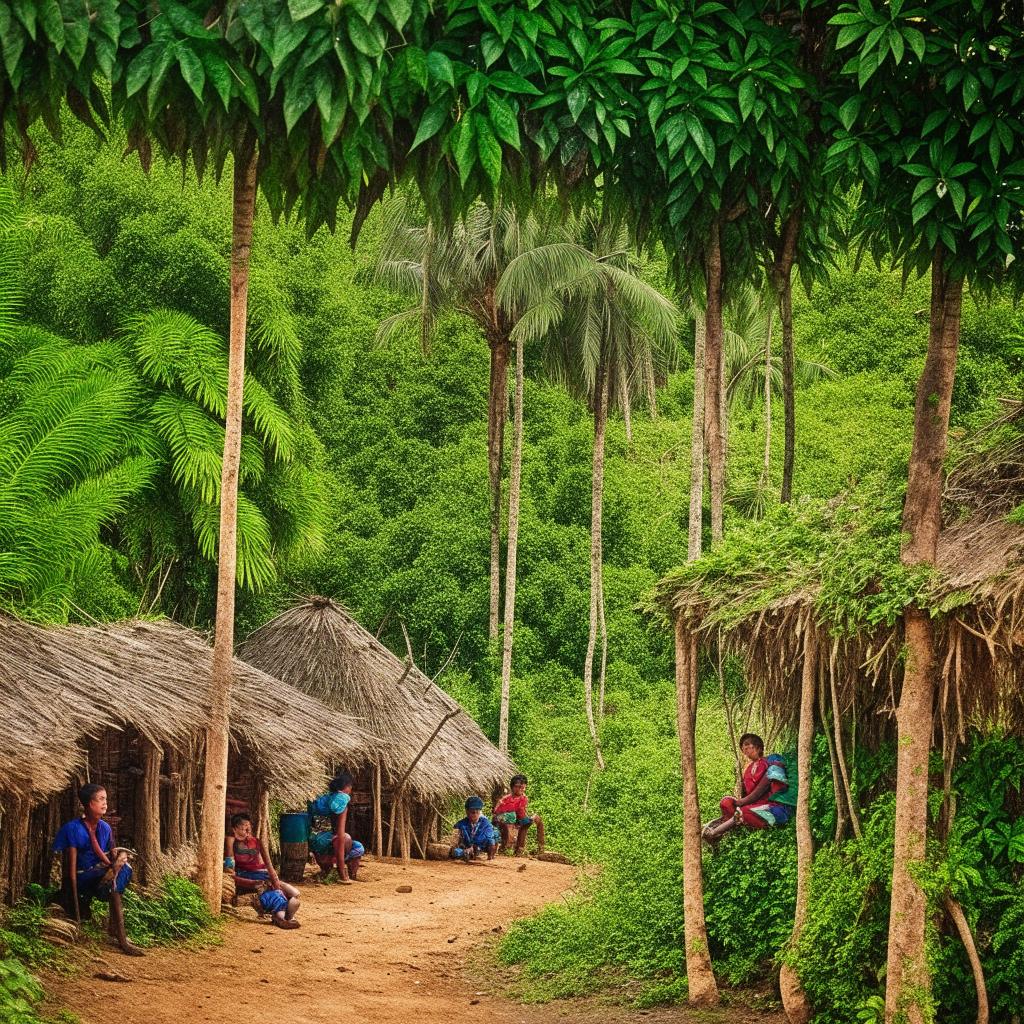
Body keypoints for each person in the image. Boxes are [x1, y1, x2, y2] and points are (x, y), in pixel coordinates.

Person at [52, 783, 144, 956]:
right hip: (83, 879)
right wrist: (76, 913)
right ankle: (122, 939)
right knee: (115, 876)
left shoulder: (105, 828)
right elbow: (70, 871)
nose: (105, 803)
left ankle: (114, 928)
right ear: (89, 804)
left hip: (103, 877)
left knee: (124, 869)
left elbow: (111, 854)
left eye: (106, 799)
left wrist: (118, 859)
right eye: (101, 799)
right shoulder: (73, 829)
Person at [702, 733, 791, 844]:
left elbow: (763, 787)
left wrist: (743, 802)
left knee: (744, 812)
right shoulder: (748, 769)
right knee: (726, 802)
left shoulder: (771, 761)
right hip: (752, 804)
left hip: (773, 805)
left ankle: (715, 833)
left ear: (758, 747)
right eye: (744, 747)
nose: (746, 748)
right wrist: (737, 802)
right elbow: (745, 794)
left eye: (748, 745)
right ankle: (723, 825)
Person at [224, 813, 300, 929]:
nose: (247, 830)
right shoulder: (231, 842)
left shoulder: (257, 841)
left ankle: (284, 916)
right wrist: (251, 883)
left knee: (293, 893)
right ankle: (285, 917)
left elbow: (269, 865)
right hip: (245, 876)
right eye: (243, 828)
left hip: (263, 875)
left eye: (248, 827)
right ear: (234, 829)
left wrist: (275, 880)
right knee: (277, 895)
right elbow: (229, 871)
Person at [308, 771, 364, 883]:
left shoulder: (326, 797)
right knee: (346, 838)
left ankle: (333, 872)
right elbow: (340, 835)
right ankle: (342, 873)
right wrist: (341, 871)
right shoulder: (341, 800)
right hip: (321, 840)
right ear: (347, 787)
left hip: (315, 839)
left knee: (358, 847)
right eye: (351, 787)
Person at [493, 774, 545, 856]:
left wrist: (526, 820)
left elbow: (521, 813)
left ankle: (540, 847)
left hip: (516, 820)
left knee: (534, 819)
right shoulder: (505, 799)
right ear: (512, 787)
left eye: (523, 787)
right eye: (518, 786)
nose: (521, 789)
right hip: (502, 822)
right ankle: (512, 848)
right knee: (514, 817)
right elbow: (496, 816)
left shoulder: (523, 798)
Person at [450, 796, 497, 862]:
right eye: (472, 812)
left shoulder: (486, 823)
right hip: (466, 847)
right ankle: (468, 854)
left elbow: (487, 836)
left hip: (481, 846)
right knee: (456, 852)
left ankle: (490, 858)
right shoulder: (461, 823)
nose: (474, 814)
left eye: (476, 812)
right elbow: (455, 836)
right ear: (467, 812)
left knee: (491, 841)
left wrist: (473, 847)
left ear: (480, 812)